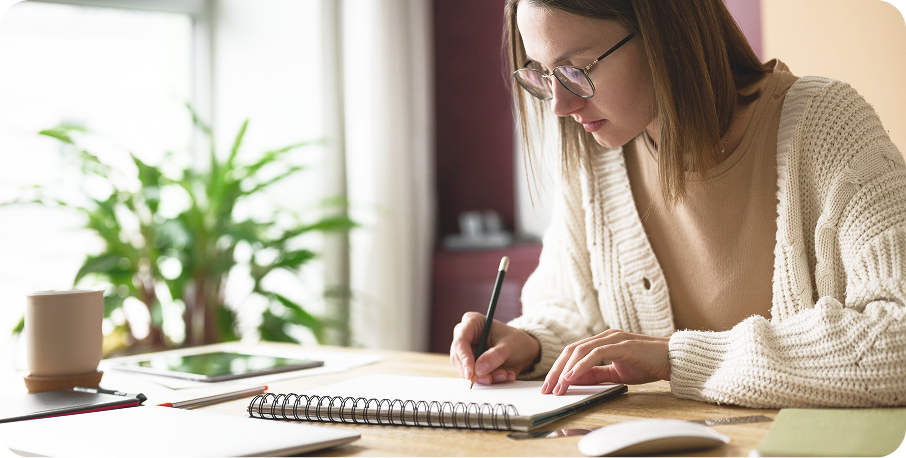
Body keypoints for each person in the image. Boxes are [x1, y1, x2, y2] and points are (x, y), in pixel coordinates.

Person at [449, 0, 906, 408]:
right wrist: (530, 341)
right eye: (544, 74)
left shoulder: (829, 127)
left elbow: (897, 339)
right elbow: (573, 309)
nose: (560, 106)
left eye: (578, 69)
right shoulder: (596, 154)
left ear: (666, 33)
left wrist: (676, 358)